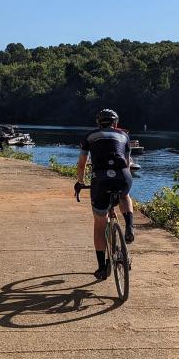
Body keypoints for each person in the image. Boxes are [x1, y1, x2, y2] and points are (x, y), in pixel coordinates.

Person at [75, 109, 135, 279]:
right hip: (123, 176)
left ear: (98, 123)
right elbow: (128, 163)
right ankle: (129, 225)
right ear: (115, 123)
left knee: (99, 224)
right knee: (124, 196)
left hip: (100, 179)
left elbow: (81, 165)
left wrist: (80, 181)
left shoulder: (90, 136)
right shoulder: (124, 136)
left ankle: (102, 268)